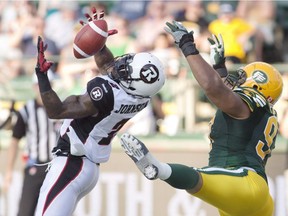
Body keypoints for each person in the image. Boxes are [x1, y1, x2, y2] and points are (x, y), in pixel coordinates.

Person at [120, 20, 283, 216]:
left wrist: (187, 46)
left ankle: (158, 169)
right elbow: (228, 100)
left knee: (198, 178)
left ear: (256, 83)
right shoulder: (260, 110)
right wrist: (219, 68)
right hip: (251, 195)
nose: (236, 80)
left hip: (241, 181)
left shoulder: (250, 102)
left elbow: (214, 89)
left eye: (242, 78)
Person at [34, 8, 165, 216]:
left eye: (128, 69)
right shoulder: (141, 96)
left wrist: (42, 76)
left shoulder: (105, 95)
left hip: (72, 163)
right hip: (87, 168)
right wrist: (98, 41)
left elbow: (56, 111)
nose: (122, 65)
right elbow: (108, 66)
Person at [2, 71, 60, 216]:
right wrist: (9, 170)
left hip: (56, 168)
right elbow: (15, 140)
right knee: (25, 211)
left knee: (58, 210)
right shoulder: (26, 110)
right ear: (34, 87)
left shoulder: (61, 108)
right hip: (34, 167)